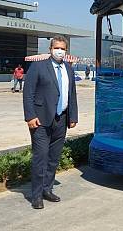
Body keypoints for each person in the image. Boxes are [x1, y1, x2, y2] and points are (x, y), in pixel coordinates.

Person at [23, 36, 78, 209]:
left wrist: (73, 117)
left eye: (63, 48)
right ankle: (36, 195)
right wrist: (30, 116)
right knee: (41, 157)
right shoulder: (38, 67)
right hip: (40, 120)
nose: (59, 51)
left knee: (54, 158)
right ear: (50, 49)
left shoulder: (68, 69)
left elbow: (72, 94)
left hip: (61, 119)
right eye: (57, 48)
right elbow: (28, 93)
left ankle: (47, 189)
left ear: (66, 51)